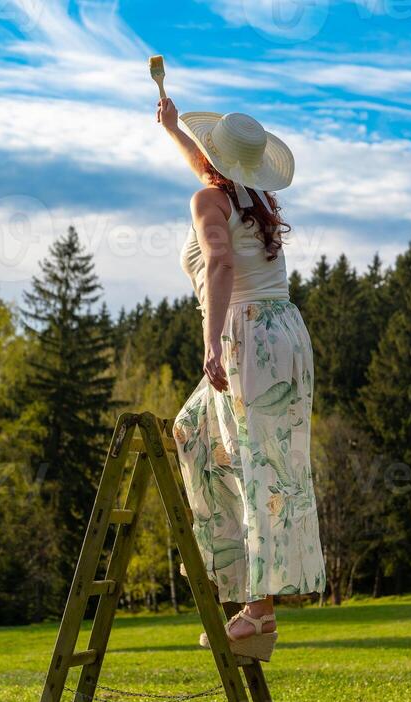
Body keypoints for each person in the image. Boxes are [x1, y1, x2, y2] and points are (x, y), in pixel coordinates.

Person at [157, 98, 326, 661]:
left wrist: (211, 342)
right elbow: (206, 174)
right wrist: (173, 130)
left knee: (255, 464)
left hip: (248, 334)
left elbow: (222, 263)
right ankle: (251, 601)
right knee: (210, 440)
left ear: (216, 158)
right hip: (285, 332)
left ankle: (259, 611)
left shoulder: (209, 199)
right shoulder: (252, 198)